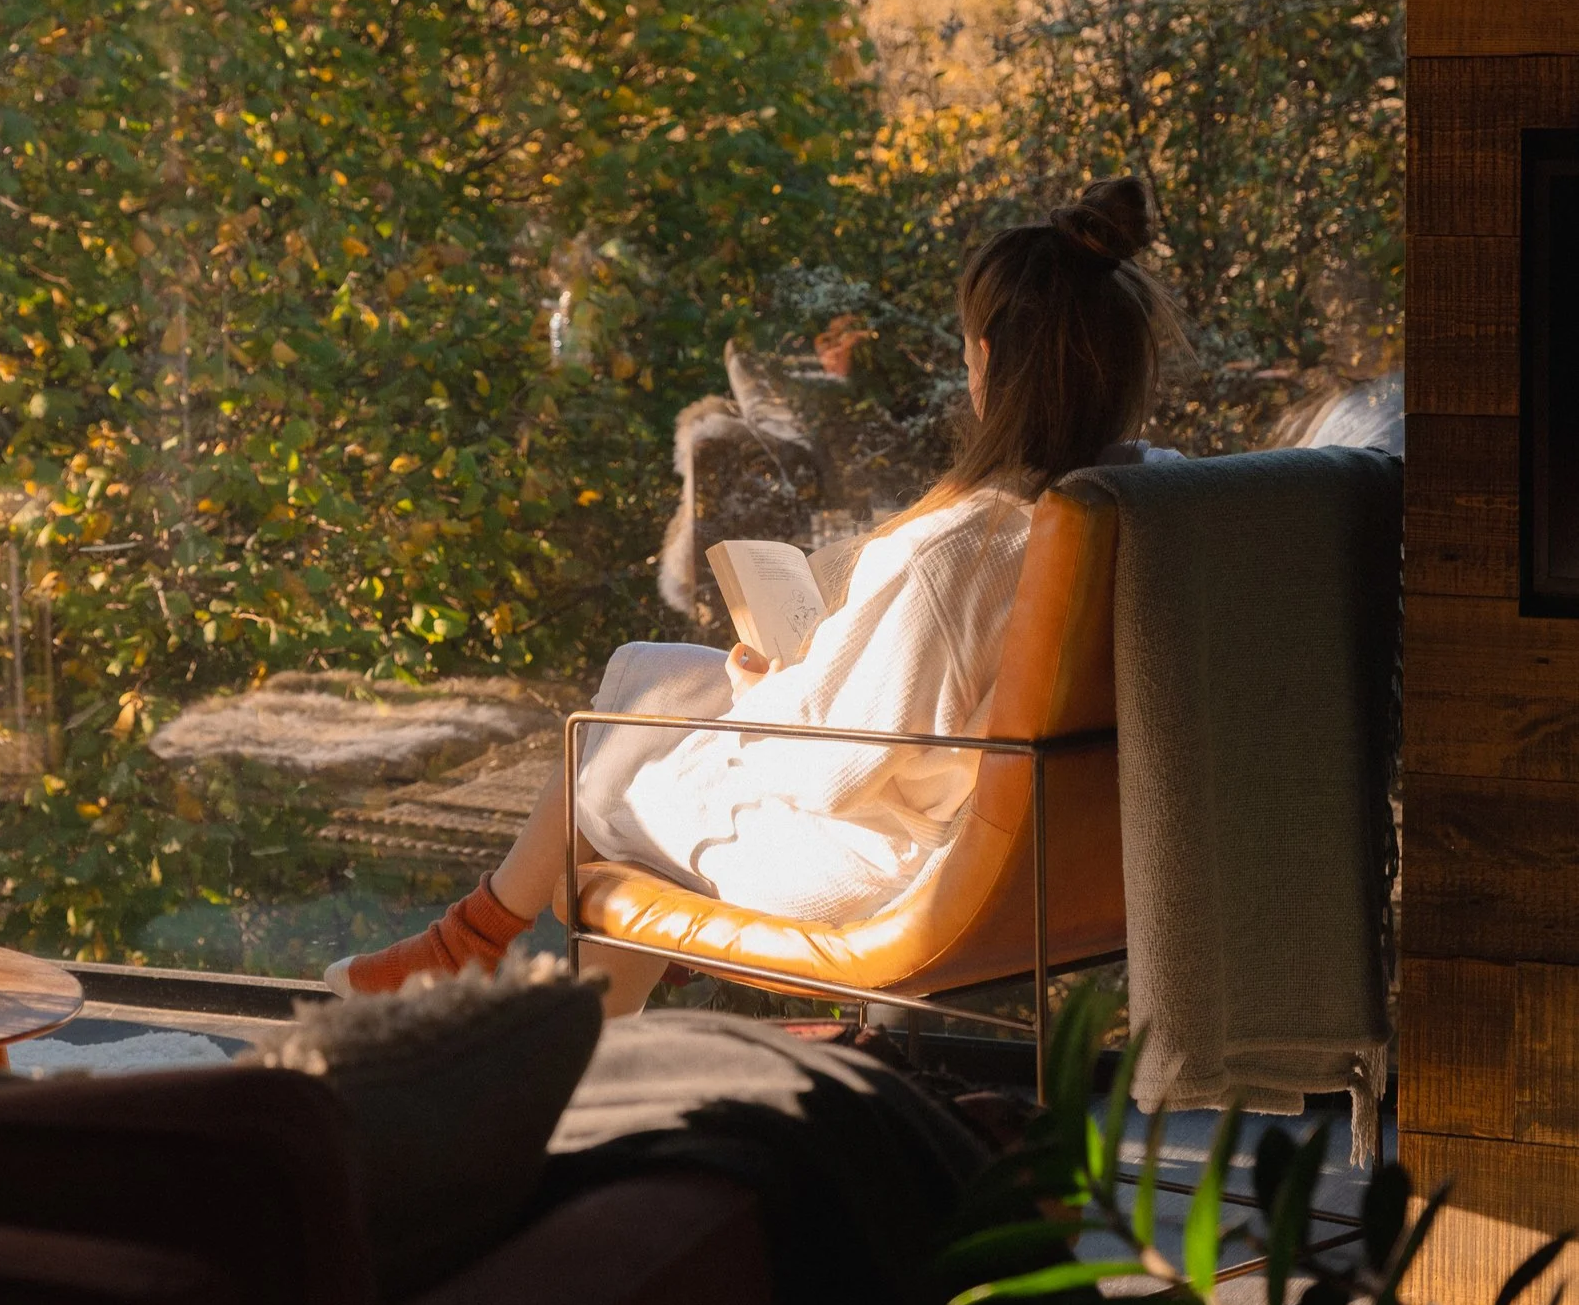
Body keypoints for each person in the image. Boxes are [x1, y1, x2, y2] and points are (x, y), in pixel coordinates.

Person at [325, 176, 1186, 1015]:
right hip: (1062, 864)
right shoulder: (1149, 500)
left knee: (602, 759)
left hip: (894, 878)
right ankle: (525, 977)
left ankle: (481, 945)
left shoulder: (956, 551)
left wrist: (763, 682)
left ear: (986, 361)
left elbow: (821, 771)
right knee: (656, 675)